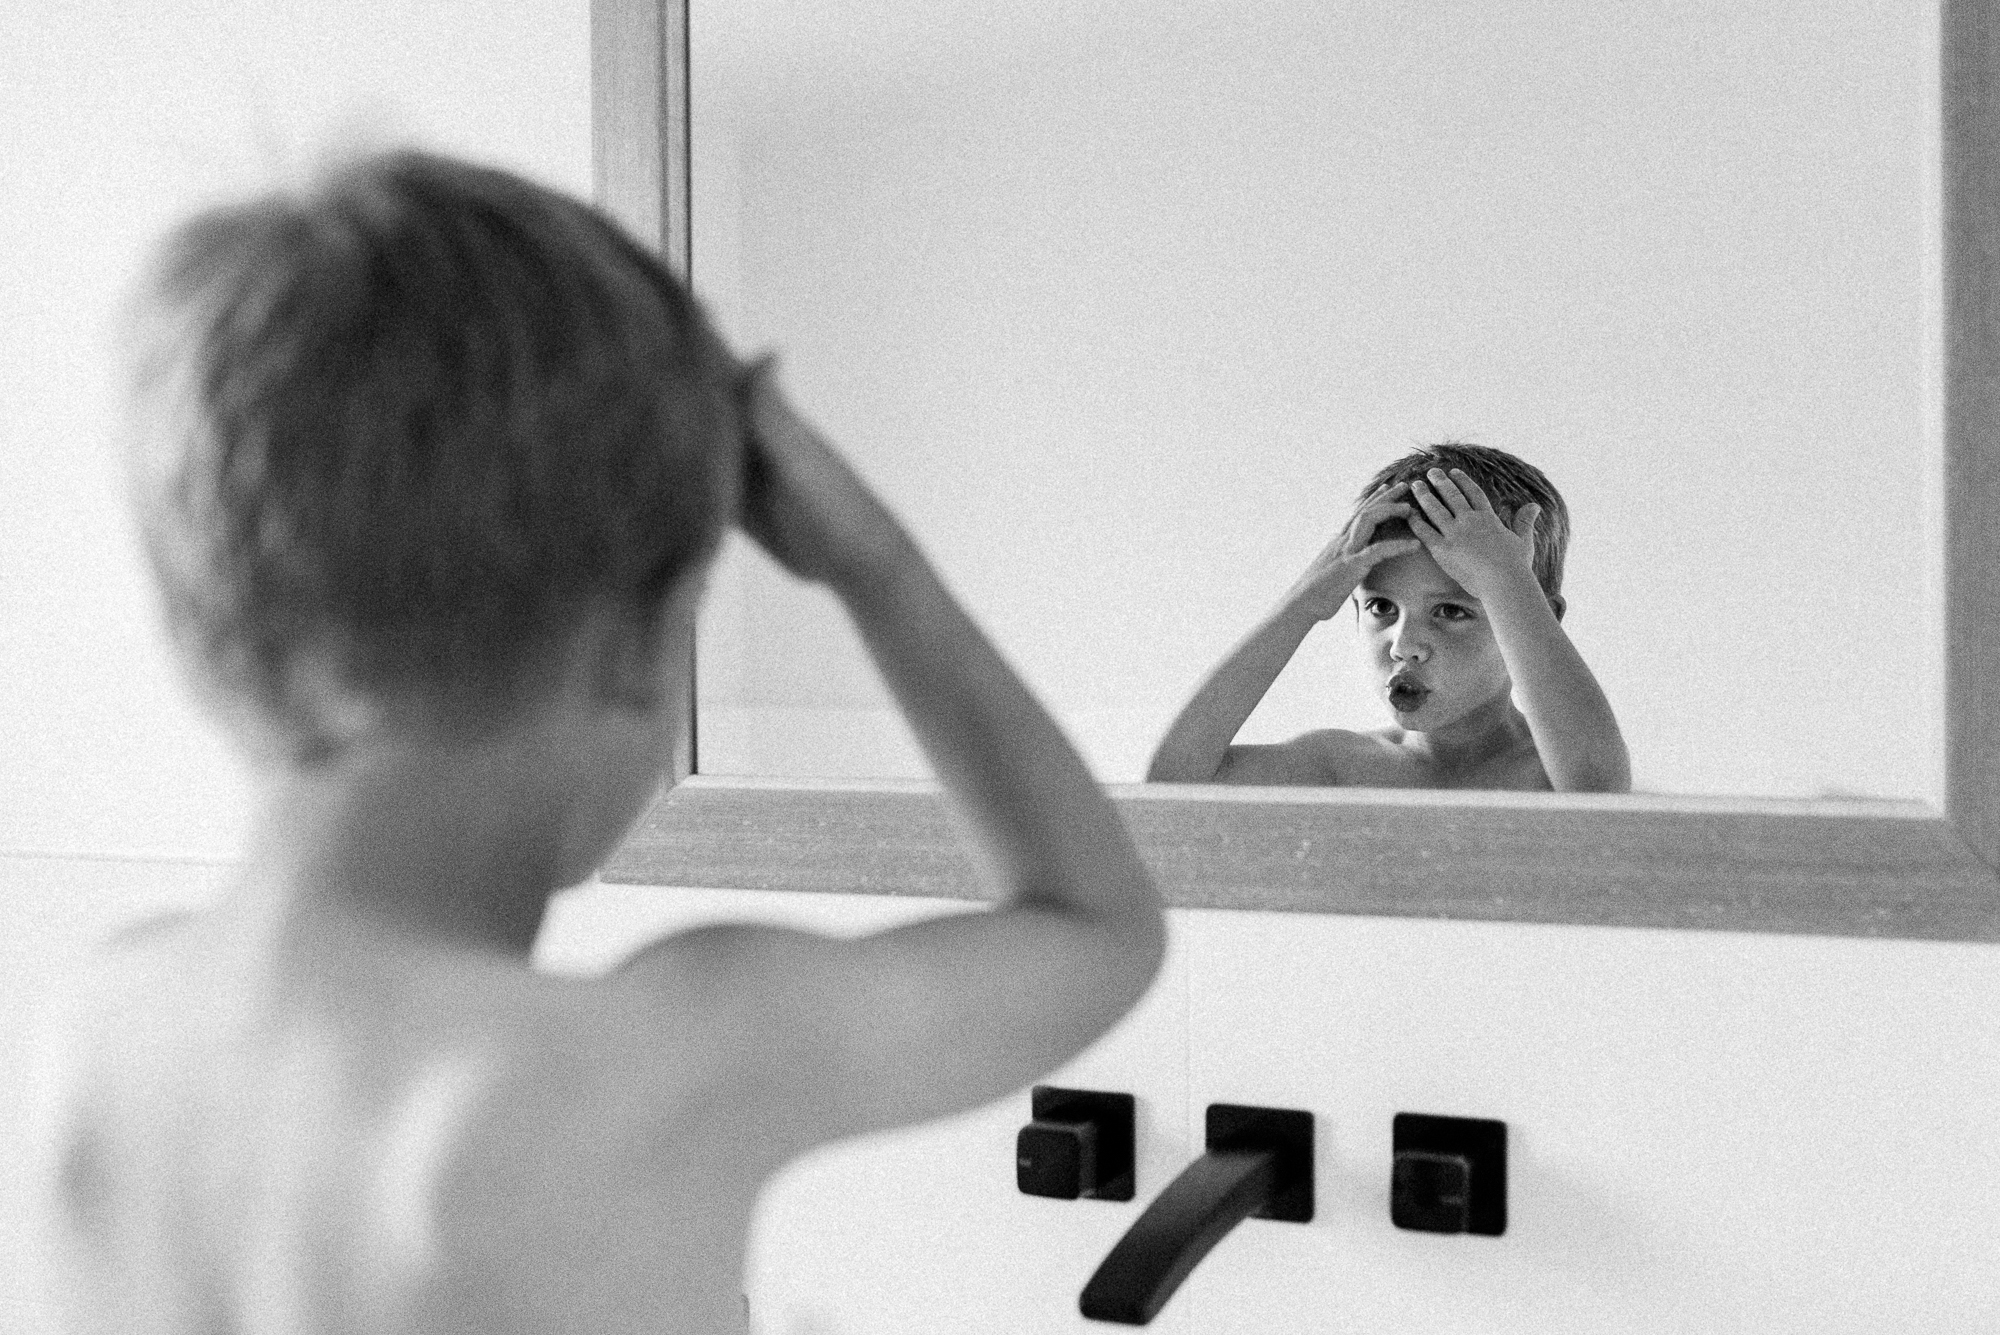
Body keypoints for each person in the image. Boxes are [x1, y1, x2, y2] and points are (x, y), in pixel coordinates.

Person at [28, 149, 1165, 1334]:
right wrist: (873, 565)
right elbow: (1096, 927)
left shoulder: (104, 1027)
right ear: (637, 647)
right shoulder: (623, 1079)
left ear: (214, 630)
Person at [1147, 443, 1629, 792]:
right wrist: (1302, 604)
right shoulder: (1341, 768)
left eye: (1451, 610)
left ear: (1537, 617)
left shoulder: (1548, 773)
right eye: (1381, 608)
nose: (1404, 643)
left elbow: (1599, 792)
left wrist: (1509, 584)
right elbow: (1173, 783)